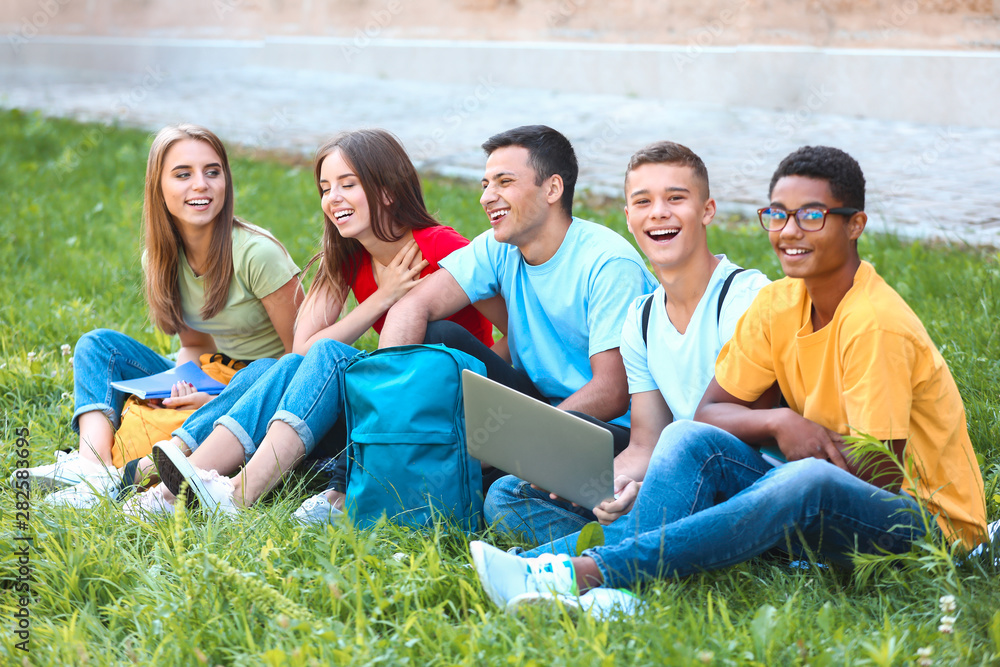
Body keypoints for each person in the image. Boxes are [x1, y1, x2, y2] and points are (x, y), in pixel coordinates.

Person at [468, 145, 989, 612]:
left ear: (854, 225)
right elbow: (708, 415)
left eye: (812, 216)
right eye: (778, 216)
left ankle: (588, 573)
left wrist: (766, 483)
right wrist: (780, 422)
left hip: (924, 527)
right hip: (799, 492)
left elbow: (880, 476)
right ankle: (592, 577)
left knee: (802, 480)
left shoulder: (873, 323)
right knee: (687, 437)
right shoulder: (781, 303)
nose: (789, 231)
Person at [128, 128, 501, 518]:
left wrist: (487, 404)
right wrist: (382, 299)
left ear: (388, 190)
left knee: (322, 357)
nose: (332, 198)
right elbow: (302, 350)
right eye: (325, 188)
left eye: (348, 184)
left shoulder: (440, 245)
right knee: (281, 366)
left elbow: (514, 336)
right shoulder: (347, 253)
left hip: (442, 410)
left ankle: (230, 491)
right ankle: (175, 488)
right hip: (387, 410)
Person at [483, 141, 770, 545]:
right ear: (630, 219)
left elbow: (741, 434)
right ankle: (650, 543)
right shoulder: (642, 317)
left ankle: (580, 564)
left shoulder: (747, 297)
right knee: (508, 494)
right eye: (643, 201)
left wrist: (656, 484)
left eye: (676, 198)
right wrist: (615, 489)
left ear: (707, 211)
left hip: (751, 481)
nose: (659, 212)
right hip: (676, 476)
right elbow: (644, 445)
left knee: (687, 437)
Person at [27, 124, 302, 506]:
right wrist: (181, 386)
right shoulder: (160, 258)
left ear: (226, 180)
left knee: (265, 370)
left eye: (212, 171)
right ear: (159, 186)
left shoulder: (258, 254)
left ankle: (131, 474)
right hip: (213, 371)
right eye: (183, 174)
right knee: (98, 346)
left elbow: (299, 363)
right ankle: (93, 466)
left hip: (262, 383)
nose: (201, 185)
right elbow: (194, 345)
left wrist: (208, 402)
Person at [378, 125, 656, 501]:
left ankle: (471, 473)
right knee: (438, 338)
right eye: (485, 184)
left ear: (553, 189)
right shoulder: (498, 247)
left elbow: (612, 392)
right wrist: (385, 411)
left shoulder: (607, 263)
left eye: (504, 182)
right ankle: (401, 460)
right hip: (538, 406)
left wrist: (517, 439)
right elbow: (413, 305)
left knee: (500, 496)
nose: (487, 197)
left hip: (608, 430)